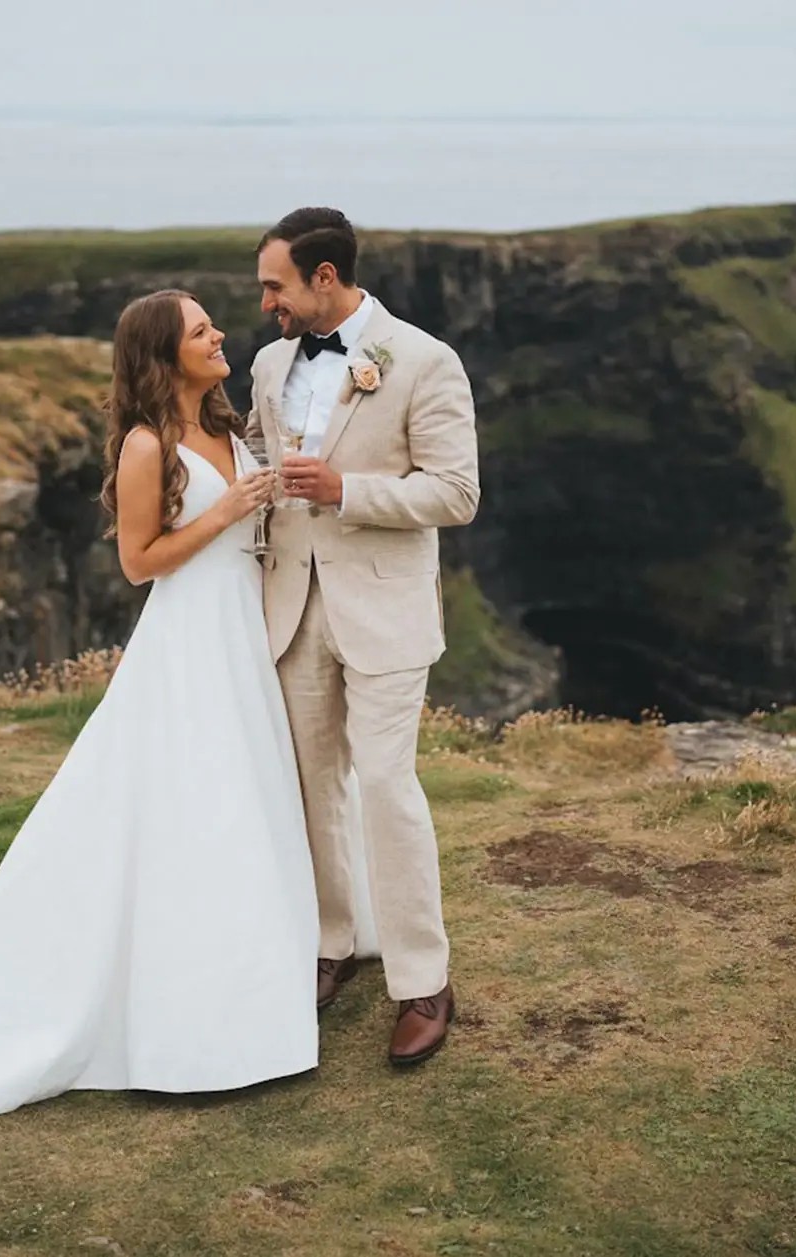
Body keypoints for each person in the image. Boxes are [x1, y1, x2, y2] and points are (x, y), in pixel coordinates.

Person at [0, 290, 320, 1115]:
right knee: (189, 805)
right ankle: (181, 1013)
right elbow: (140, 561)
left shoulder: (226, 427)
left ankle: (251, 982)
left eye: (212, 323)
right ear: (165, 355)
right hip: (188, 641)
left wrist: (262, 502)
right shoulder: (147, 445)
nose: (218, 334)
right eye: (201, 329)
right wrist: (232, 510)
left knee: (244, 799)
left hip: (240, 633)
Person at [247, 207, 480, 1066]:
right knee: (312, 788)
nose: (265, 301)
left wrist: (350, 490)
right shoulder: (271, 364)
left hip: (385, 611)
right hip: (291, 609)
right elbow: (252, 462)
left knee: (386, 785)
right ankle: (330, 944)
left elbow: (456, 494)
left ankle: (424, 980)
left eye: (275, 284)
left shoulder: (424, 360)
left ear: (323, 278)